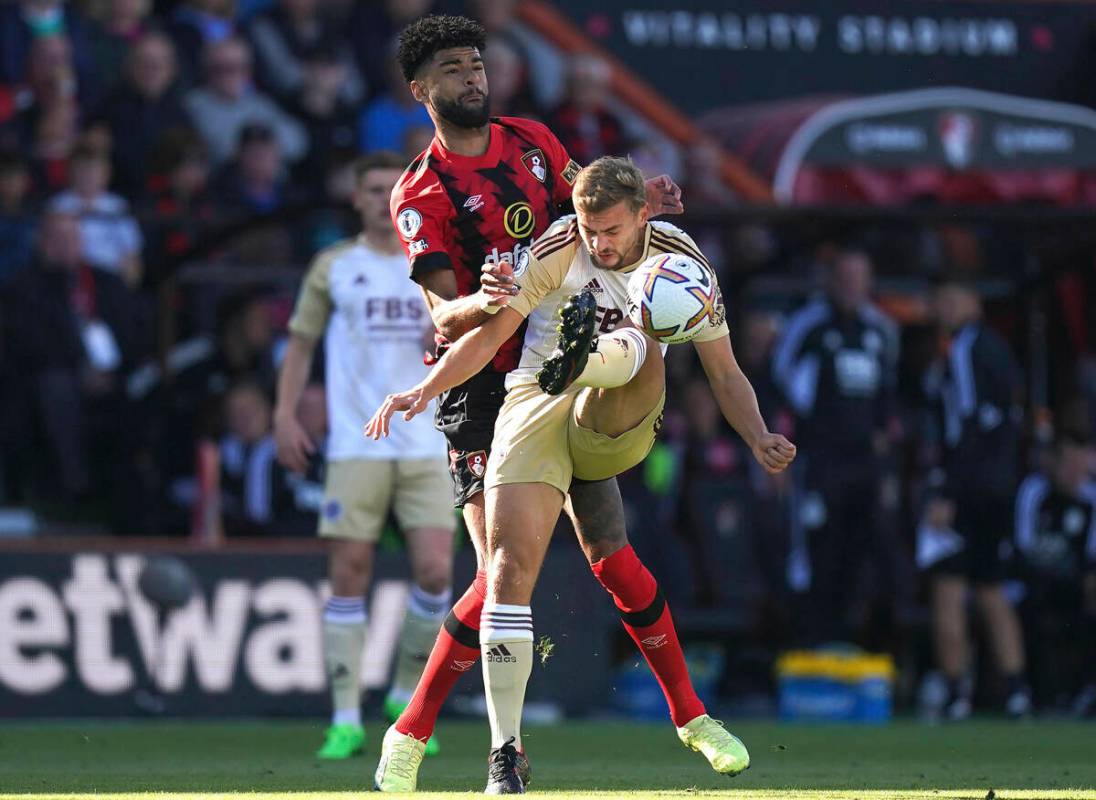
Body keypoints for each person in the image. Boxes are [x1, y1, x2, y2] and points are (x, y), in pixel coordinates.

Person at [365, 16, 716, 794]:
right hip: (485, 384)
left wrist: (640, 206)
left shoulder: (532, 141)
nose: (473, 79)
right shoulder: (421, 192)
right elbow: (442, 313)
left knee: (611, 554)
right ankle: (436, 738)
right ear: (422, 91)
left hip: (563, 363)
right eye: (454, 70)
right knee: (503, 571)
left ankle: (692, 717)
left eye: (477, 65)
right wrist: (482, 300)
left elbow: (595, 219)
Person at [369, 156, 797, 793]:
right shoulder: (558, 246)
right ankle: (502, 754)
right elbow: (489, 338)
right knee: (513, 573)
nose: (598, 243)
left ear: (644, 214)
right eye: (591, 229)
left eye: (612, 231)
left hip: (616, 412)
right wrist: (425, 388)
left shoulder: (681, 267)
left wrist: (758, 434)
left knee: (642, 342)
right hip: (534, 401)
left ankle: (589, 357)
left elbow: (725, 372)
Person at [274, 151, 456, 760]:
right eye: (373, 189)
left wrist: (448, 331)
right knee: (348, 573)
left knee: (436, 573)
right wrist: (284, 413)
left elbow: (467, 331)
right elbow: (299, 346)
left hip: (429, 438)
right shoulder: (334, 266)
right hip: (356, 442)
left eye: (391, 189)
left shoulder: (431, 264)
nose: (383, 199)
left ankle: (404, 698)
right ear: (356, 198)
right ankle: (346, 717)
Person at [771, 247, 899, 644]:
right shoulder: (807, 327)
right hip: (820, 462)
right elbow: (782, 388)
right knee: (815, 551)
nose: (851, 287)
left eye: (858, 278)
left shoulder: (880, 331)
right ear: (829, 281)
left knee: (863, 551)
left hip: (864, 465)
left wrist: (885, 465)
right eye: (844, 278)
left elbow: (886, 403)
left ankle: (853, 643)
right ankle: (810, 642)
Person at [918, 275, 1030, 719]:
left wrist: (946, 489)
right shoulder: (997, 351)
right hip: (998, 486)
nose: (942, 308)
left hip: (966, 488)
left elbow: (964, 425)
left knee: (949, 587)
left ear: (973, 302)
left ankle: (956, 692)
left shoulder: (965, 349)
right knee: (990, 589)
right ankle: (1017, 690)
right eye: (938, 299)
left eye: (951, 298)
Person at [1012, 429, 1096, 712]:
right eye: (1069, 465)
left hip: (1075, 585)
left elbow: (1092, 559)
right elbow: (1021, 549)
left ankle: (1085, 691)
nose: (1076, 473)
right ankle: (1034, 695)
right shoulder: (1033, 492)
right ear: (1053, 462)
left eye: (1081, 466)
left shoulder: (1091, 500)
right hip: (1035, 583)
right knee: (1026, 607)